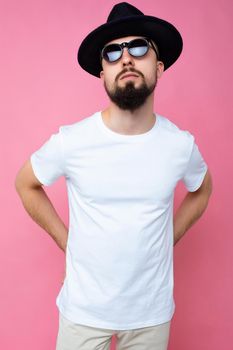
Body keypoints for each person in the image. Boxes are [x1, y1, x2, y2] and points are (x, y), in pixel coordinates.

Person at [15, 2, 213, 350]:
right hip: (83, 311)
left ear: (159, 66)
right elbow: (25, 183)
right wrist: (68, 244)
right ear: (103, 73)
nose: (126, 58)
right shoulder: (71, 141)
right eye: (112, 52)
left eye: (138, 47)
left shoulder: (180, 146)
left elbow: (203, 189)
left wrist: (169, 237)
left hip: (150, 314)